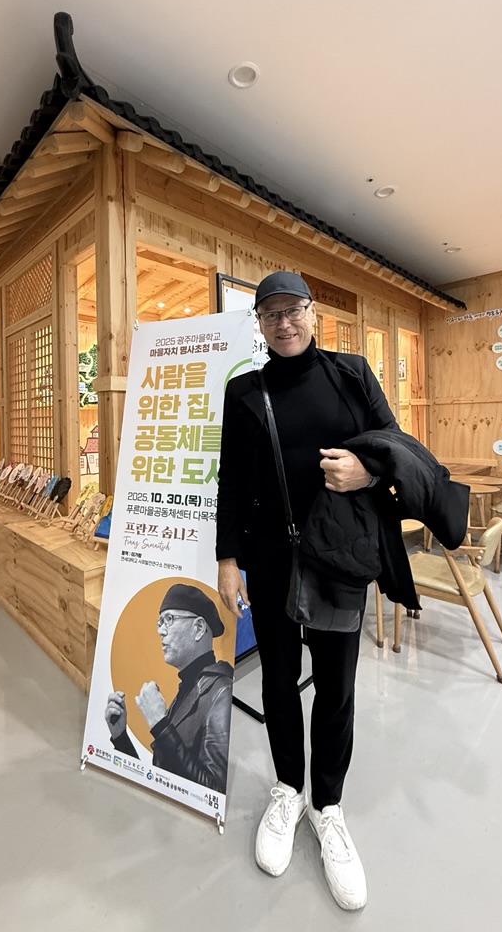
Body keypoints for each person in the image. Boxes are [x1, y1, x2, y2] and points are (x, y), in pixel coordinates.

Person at [216, 271, 401, 911]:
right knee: (276, 680)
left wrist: (366, 471)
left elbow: (395, 445)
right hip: (269, 560)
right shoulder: (245, 391)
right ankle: (287, 790)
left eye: (293, 309)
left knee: (337, 685)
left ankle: (328, 806)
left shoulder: (351, 374)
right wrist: (227, 559)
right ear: (260, 324)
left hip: (337, 559)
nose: (284, 322)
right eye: (271, 314)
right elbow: (230, 480)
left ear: (313, 312)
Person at [105, 583, 233, 794]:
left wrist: (160, 724)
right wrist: (120, 737)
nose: (160, 631)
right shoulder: (189, 690)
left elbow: (214, 791)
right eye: (160, 622)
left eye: (169, 620)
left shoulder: (221, 692)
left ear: (199, 628)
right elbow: (162, 779)